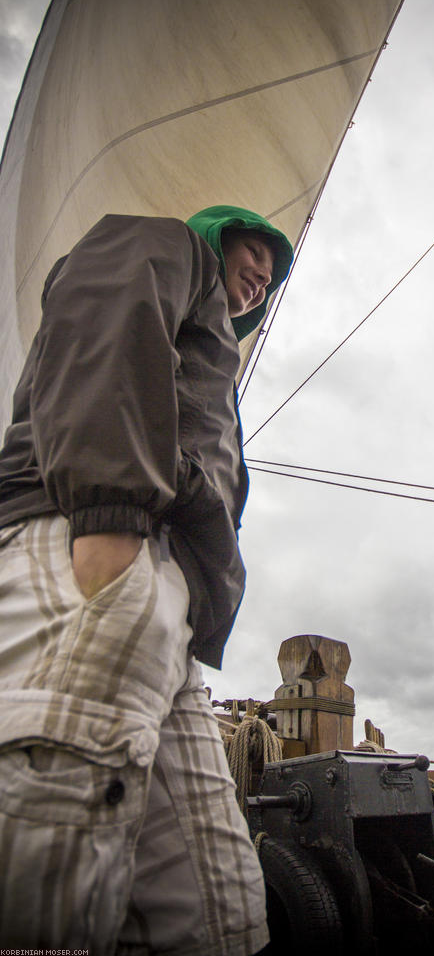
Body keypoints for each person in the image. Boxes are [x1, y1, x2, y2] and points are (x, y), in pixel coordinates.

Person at [0, 206, 293, 954]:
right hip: (106, 544)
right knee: (55, 832)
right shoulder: (165, 246)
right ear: (211, 237)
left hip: (170, 613)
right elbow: (109, 312)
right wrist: (108, 515)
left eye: (269, 277)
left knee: (212, 895)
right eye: (249, 253)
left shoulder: (214, 363)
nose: (259, 276)